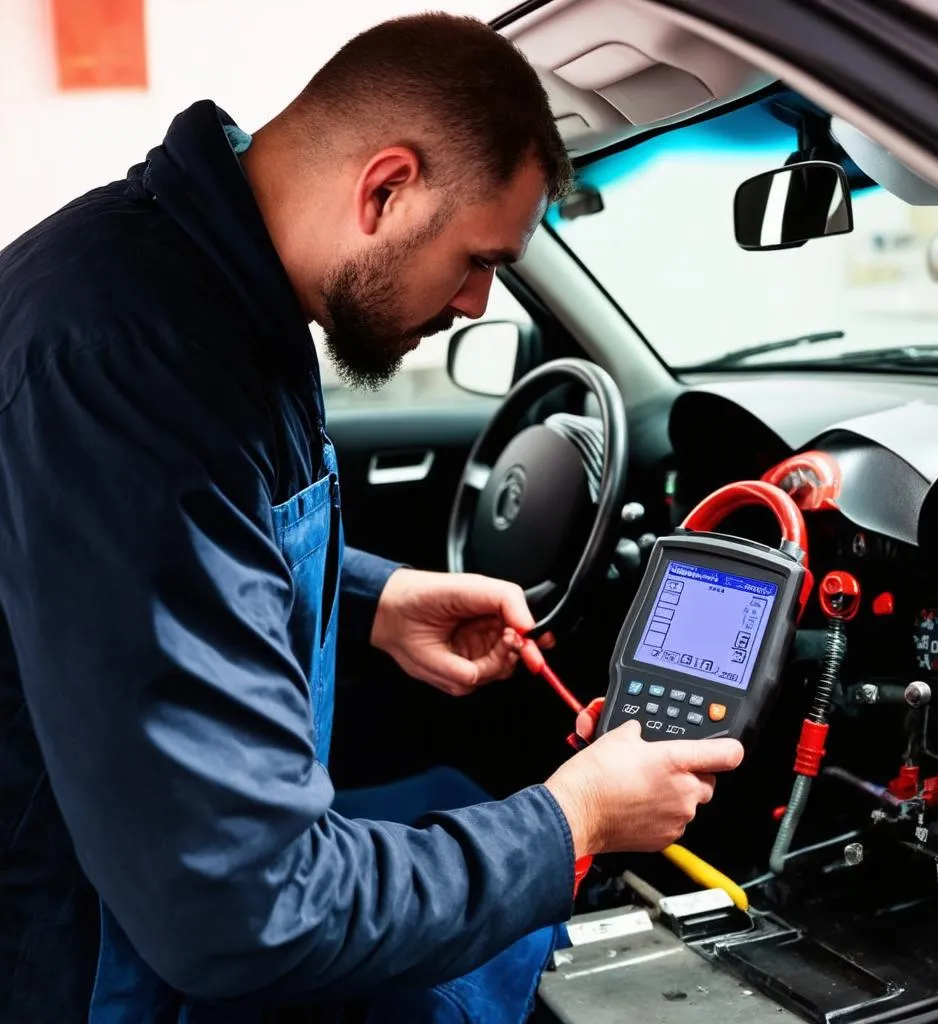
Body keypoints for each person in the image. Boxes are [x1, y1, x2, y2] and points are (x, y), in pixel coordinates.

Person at [0, 12, 744, 1023]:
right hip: (96, 957)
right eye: (479, 257)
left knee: (460, 818)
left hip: (149, 879)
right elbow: (246, 907)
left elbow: (172, 553)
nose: (481, 302)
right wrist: (575, 819)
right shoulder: (137, 361)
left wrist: (373, 597)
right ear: (384, 189)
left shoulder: (211, 288)